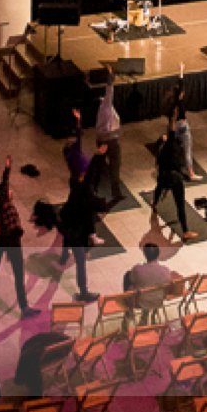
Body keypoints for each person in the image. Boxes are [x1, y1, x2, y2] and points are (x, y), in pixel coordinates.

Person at [0, 158, 34, 315]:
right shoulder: (6, 207)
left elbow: (4, 182)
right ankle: (24, 307)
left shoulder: (1, 203)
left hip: (4, 239)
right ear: (4, 195)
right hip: (12, 244)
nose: (11, 191)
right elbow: (12, 231)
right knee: (19, 274)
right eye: (8, 190)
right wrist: (19, 232)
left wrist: (7, 168)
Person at [57, 167, 102, 302]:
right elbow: (89, 221)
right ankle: (83, 292)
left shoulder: (74, 190)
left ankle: (63, 257)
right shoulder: (85, 201)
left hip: (68, 227)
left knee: (67, 239)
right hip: (77, 233)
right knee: (81, 262)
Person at [153, 121, 198, 236]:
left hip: (163, 176)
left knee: (159, 187)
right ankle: (186, 231)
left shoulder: (161, 150)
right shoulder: (170, 146)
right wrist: (172, 119)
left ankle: (154, 204)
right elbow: (172, 133)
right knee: (180, 204)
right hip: (174, 178)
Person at [92, 79, 125, 203]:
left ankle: (93, 189)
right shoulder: (105, 107)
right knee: (114, 166)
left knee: (99, 166)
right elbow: (109, 92)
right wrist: (110, 77)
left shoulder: (100, 113)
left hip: (101, 140)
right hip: (110, 141)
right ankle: (115, 193)